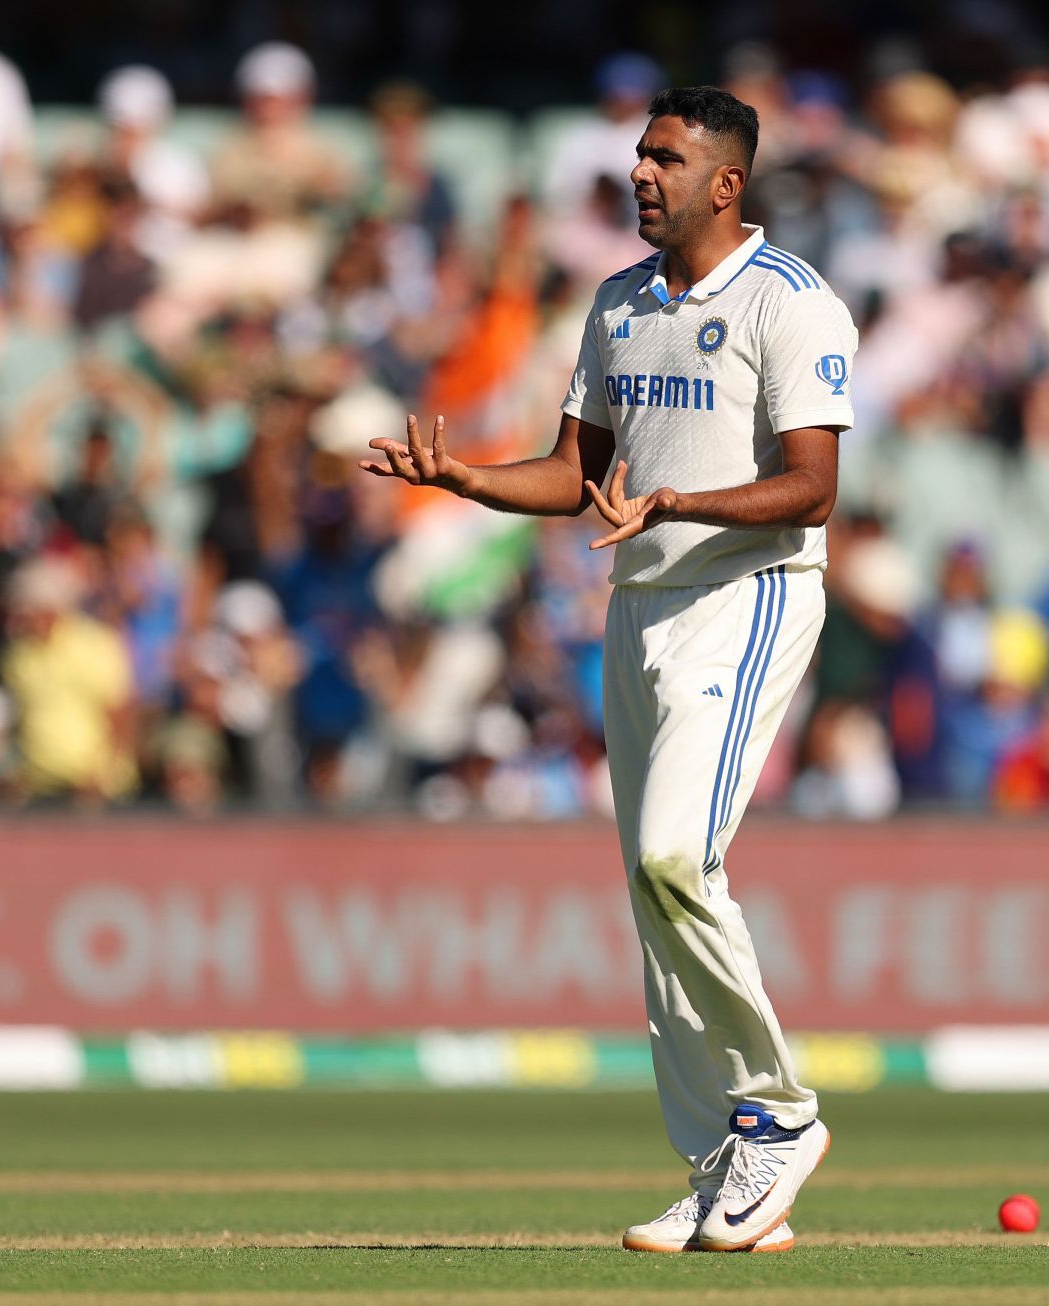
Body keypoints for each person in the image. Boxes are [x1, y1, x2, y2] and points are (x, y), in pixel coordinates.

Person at [363, 86, 855, 1254]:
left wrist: (681, 501)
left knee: (675, 854)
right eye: (640, 156)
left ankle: (779, 1115)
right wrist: (470, 482)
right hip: (639, 610)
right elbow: (578, 471)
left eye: (667, 160)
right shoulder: (620, 303)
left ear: (725, 184)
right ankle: (725, 1159)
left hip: (749, 596)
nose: (642, 175)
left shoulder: (793, 302)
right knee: (653, 888)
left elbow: (814, 487)